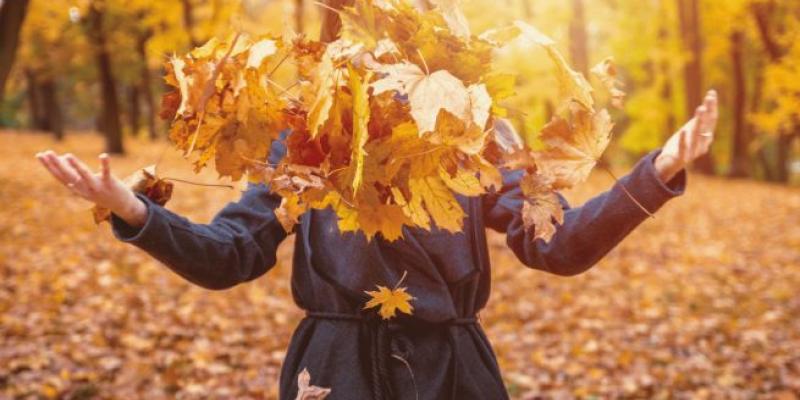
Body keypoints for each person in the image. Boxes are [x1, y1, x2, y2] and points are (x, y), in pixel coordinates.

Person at [35, 90, 718, 399]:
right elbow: (230, 253)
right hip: (338, 371)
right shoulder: (307, 135)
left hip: (454, 372)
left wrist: (657, 173)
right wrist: (133, 210)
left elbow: (558, 245)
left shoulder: (478, 130)